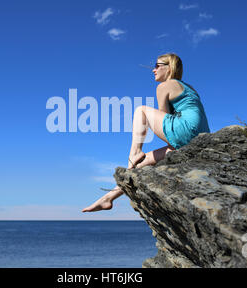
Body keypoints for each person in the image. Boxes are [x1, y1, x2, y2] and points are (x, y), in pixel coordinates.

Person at [82, 52, 210, 213]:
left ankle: (134, 152)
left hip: (186, 130)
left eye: (157, 66)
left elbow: (165, 118)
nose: (153, 70)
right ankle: (108, 199)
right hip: (199, 138)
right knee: (143, 163)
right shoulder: (188, 87)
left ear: (169, 67)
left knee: (141, 110)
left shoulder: (165, 85)